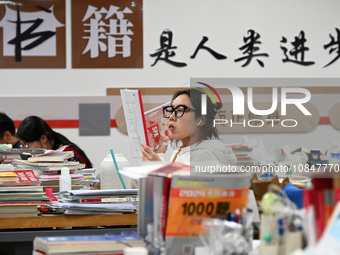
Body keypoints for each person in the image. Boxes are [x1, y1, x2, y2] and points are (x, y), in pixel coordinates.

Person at [140, 88, 237, 165]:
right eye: (171, 110)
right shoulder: (182, 151)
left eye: (181, 110)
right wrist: (159, 154)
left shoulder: (202, 157)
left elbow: (181, 189)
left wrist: (156, 166)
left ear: (201, 120)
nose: (171, 117)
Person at [17, 116, 93, 168]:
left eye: (27, 145)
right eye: (22, 146)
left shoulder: (67, 153)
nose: (25, 149)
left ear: (43, 138)